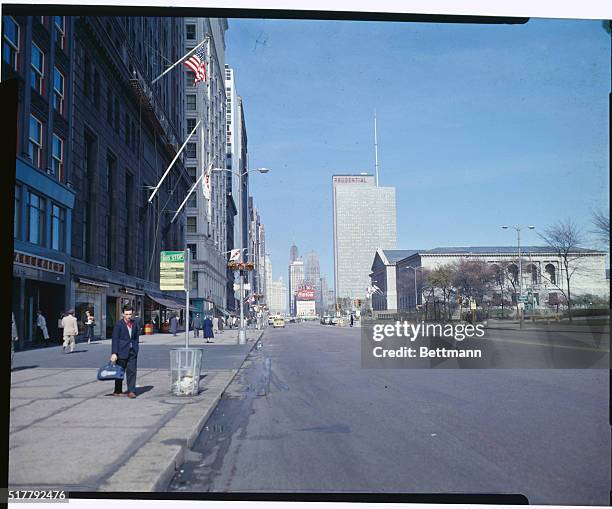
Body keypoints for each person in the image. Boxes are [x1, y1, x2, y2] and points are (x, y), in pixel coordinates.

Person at [110, 305, 140, 398]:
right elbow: (115, 339)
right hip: (121, 351)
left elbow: (136, 337)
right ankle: (117, 390)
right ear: (123, 314)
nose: (128, 316)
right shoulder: (119, 324)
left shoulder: (135, 323)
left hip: (132, 351)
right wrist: (114, 353)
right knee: (120, 371)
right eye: (126, 314)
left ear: (133, 314)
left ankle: (131, 391)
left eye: (130, 314)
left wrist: (136, 348)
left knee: (132, 371)